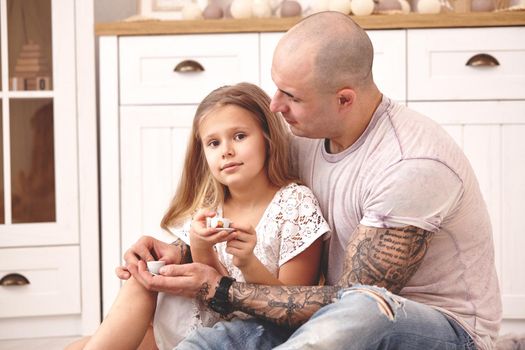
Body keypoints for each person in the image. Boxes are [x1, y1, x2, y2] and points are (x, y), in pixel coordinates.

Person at [115, 11, 502, 350]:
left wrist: (217, 289)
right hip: (329, 311)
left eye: (292, 96)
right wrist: (177, 249)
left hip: (446, 331)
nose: (275, 106)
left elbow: (347, 302)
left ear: (344, 99)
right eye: (276, 87)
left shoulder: (410, 164)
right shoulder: (306, 137)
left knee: (361, 310)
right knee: (233, 333)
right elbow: (250, 206)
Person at [66, 83, 329, 350]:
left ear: (267, 137)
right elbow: (208, 289)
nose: (226, 150)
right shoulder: (210, 206)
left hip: (242, 334)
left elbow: (291, 310)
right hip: (187, 324)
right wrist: (197, 247)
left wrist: (248, 262)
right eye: (214, 143)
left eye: (239, 136)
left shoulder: (296, 204)